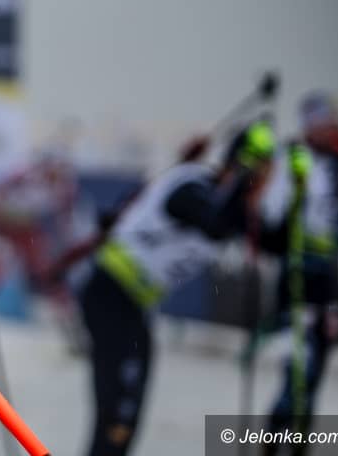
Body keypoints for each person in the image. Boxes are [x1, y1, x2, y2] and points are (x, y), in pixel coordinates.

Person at [76, 121, 275, 456]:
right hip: (111, 294)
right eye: (262, 174)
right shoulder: (192, 184)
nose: (266, 184)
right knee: (119, 411)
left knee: (127, 415)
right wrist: (246, 182)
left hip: (134, 306)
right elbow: (213, 223)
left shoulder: (231, 206)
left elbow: (273, 240)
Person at [260, 92, 338, 453]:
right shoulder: (293, 159)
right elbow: (271, 219)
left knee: (314, 377)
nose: (332, 130)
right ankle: (272, 443)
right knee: (298, 375)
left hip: (327, 284)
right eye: (325, 123)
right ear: (310, 124)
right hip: (297, 279)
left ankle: (298, 444)